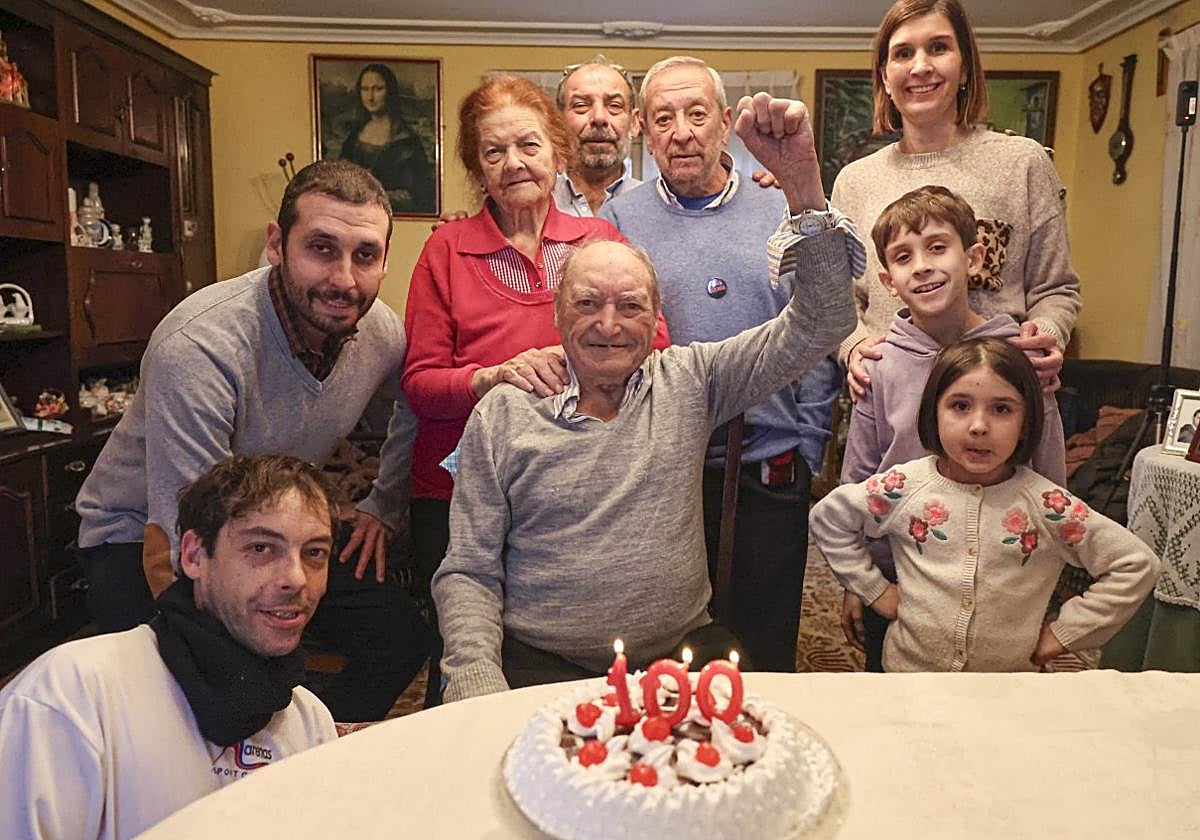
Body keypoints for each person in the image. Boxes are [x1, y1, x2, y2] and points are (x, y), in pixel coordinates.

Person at [432, 91, 859, 702]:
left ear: (657, 317)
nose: (609, 323)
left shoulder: (689, 381)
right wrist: (475, 678)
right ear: (557, 314)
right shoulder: (503, 413)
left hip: (679, 662)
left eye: (630, 305)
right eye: (587, 303)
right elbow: (468, 570)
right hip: (538, 668)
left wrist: (801, 185)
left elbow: (821, 320)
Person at [74, 160, 430, 722]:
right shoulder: (201, 346)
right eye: (321, 247)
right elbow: (184, 532)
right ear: (276, 245)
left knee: (400, 636)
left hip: (271, 521)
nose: (343, 278)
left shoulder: (381, 332)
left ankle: (299, 751)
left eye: (364, 255)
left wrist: (382, 506)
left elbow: (413, 409)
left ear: (385, 260)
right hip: (145, 533)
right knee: (206, 698)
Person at [402, 75, 670, 702]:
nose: (513, 163)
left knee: (558, 664)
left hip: (572, 488)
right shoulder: (445, 250)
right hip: (456, 493)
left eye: (528, 145)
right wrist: (494, 375)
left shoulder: (599, 242)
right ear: (476, 166)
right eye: (493, 152)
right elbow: (418, 385)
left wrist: (581, 360)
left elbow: (654, 341)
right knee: (468, 658)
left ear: (557, 151)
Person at [601, 56, 862, 672]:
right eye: (664, 117)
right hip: (662, 469)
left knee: (763, 653)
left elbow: (821, 331)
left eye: (696, 114)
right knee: (665, 651)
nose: (681, 131)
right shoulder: (618, 221)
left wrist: (808, 446)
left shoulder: (777, 209)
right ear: (643, 128)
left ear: (723, 122)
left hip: (766, 468)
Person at [0, 455, 341, 839]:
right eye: (261, 548)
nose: (296, 579)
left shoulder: (308, 721)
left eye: (314, 553)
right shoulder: (70, 696)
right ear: (195, 556)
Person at [811, 338, 1157, 672]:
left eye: (1002, 409)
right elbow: (829, 518)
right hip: (909, 679)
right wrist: (875, 590)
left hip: (1006, 693)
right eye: (960, 406)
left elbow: (1135, 564)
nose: (979, 426)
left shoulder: (1046, 504)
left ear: (1025, 424)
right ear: (934, 413)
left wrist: (1063, 634)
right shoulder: (905, 487)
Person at [797, 0, 1081, 400]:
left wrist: (1048, 334)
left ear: (965, 67)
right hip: (893, 396)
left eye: (938, 48)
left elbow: (1057, 289)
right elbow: (840, 298)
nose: (920, 67)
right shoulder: (855, 181)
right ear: (885, 76)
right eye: (902, 53)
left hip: (999, 396)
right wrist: (854, 346)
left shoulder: (1023, 163)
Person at [839, 184, 1068, 669]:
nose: (922, 264)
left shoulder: (1021, 360)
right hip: (901, 584)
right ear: (887, 280)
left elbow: (1050, 481)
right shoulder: (879, 365)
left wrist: (1040, 588)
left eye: (938, 247)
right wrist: (863, 584)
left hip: (1002, 587)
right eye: (904, 256)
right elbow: (857, 482)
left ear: (974, 257)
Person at [337, 62, 435, 214]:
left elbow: (418, 194)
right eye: (365, 89)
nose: (370, 97)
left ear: (390, 92)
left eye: (378, 89)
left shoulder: (407, 141)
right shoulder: (354, 137)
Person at [552, 55, 643, 216]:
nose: (599, 118)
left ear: (634, 123)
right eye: (581, 105)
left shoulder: (654, 208)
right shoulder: (535, 204)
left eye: (614, 106)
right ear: (558, 122)